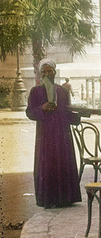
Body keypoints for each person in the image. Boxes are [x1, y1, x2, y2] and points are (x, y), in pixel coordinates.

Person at [25, 59, 81, 209]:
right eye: (44, 72)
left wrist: (80, 114)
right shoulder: (35, 91)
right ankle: (49, 199)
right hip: (46, 135)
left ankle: (66, 198)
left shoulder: (62, 91)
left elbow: (67, 112)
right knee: (48, 165)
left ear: (55, 72)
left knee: (63, 163)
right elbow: (30, 112)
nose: (47, 74)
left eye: (49, 71)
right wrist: (42, 108)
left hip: (62, 134)